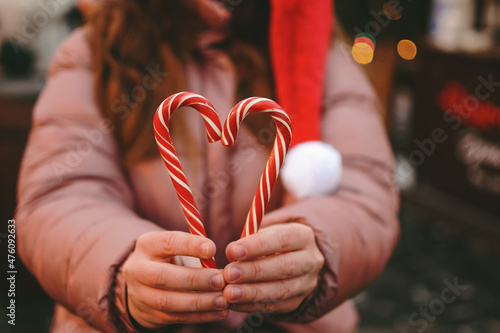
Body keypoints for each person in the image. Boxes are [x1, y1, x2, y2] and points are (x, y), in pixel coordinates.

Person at [15, 0, 400, 332]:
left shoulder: (319, 51)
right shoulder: (92, 53)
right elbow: (58, 196)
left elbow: (366, 190)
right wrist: (121, 269)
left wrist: (317, 245)